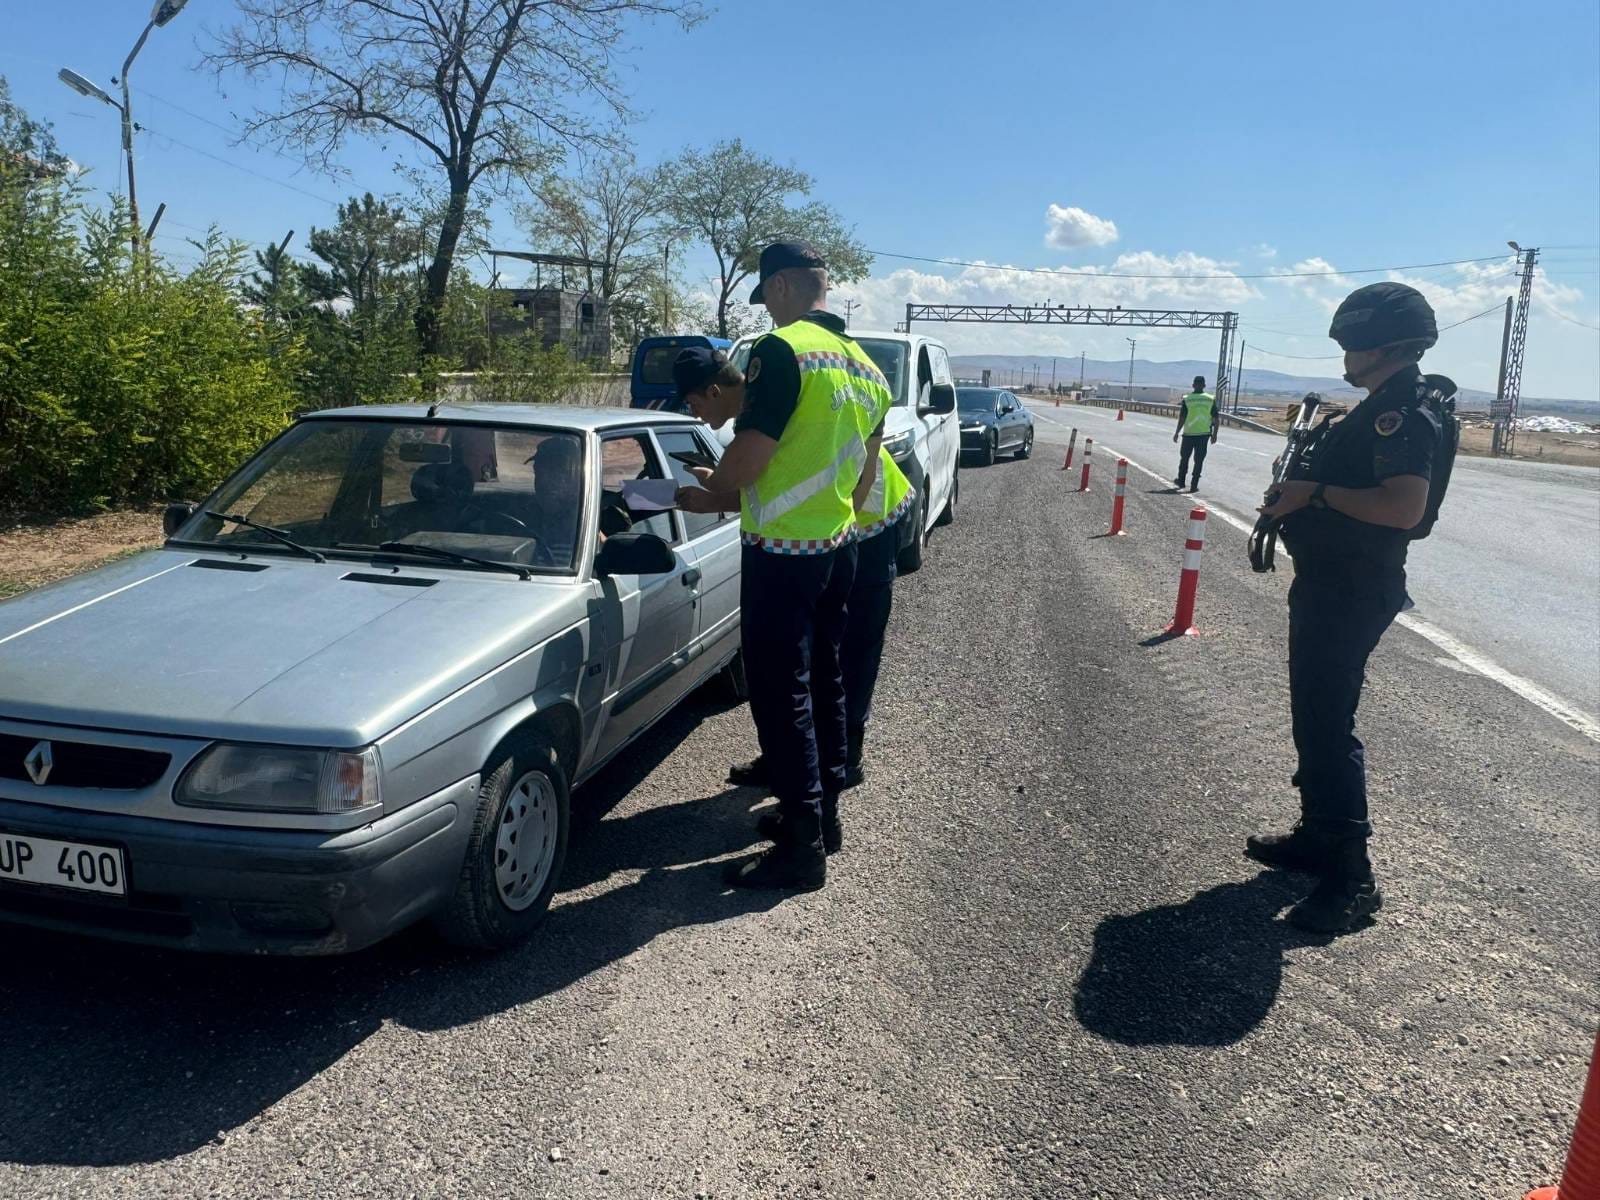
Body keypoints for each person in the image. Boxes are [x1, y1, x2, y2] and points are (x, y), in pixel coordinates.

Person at [676, 242, 892, 890]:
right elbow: (863, 482)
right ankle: (825, 818)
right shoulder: (868, 368)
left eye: (766, 294)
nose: (767, 307)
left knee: (780, 692)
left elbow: (748, 459)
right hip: (839, 548)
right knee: (825, 681)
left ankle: (802, 847)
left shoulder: (782, 351)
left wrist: (708, 491)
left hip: (781, 556)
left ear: (783, 288)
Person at [1250, 281, 1454, 933]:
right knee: (1314, 719)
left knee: (1327, 726)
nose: (1343, 353)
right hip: (1332, 581)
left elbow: (1404, 507)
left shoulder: (1403, 412)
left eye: (1349, 342)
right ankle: (1317, 837)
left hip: (1353, 587)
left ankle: (1352, 878)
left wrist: (1314, 494)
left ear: (1379, 343)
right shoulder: (1377, 406)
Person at [1172, 375, 1218, 492]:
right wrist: (1215, 434)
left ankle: (1181, 481)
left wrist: (1177, 432)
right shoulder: (1210, 399)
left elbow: (1182, 417)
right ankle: (1194, 484)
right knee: (1199, 460)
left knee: (1184, 458)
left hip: (1189, 434)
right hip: (1204, 434)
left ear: (1193, 385)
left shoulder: (1188, 399)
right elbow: (1216, 418)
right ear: (1204, 386)